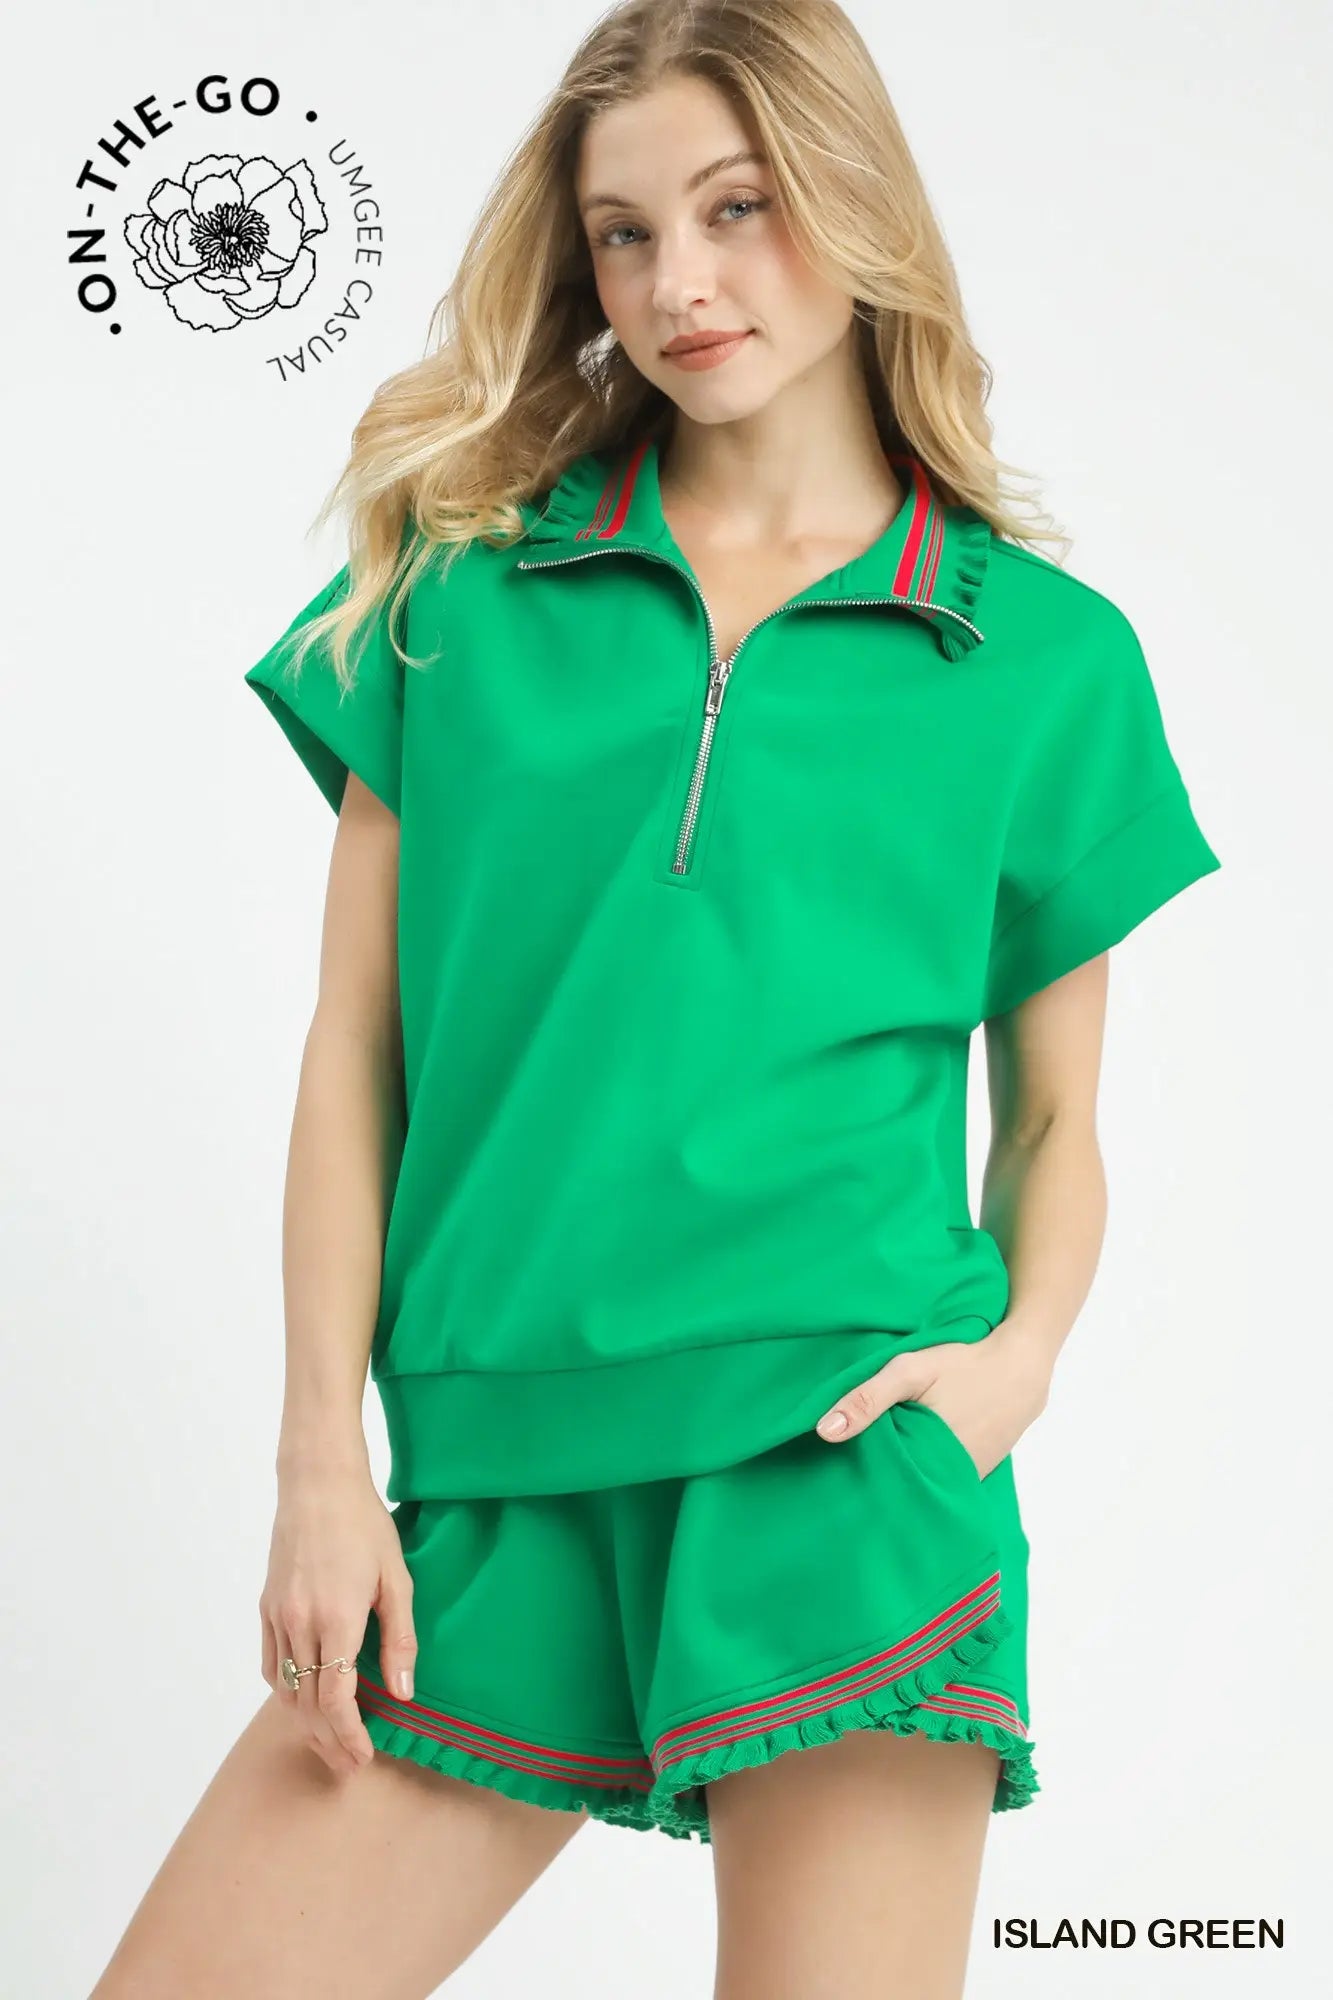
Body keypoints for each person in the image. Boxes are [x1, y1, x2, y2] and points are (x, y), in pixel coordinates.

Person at [90, 2, 1221, 1995]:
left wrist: (1015, 1366)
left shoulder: (1039, 657)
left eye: (736, 207)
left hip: (842, 1466)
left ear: (853, 204)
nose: (679, 282)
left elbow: (1052, 1117)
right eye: (623, 234)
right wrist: (316, 1458)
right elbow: (356, 1052)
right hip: (487, 1476)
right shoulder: (452, 593)